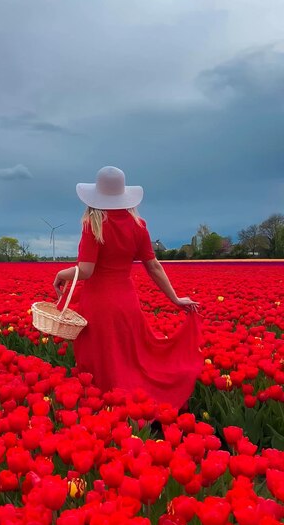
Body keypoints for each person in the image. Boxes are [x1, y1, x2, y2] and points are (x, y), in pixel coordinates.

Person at [53, 166, 203, 410]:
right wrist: (175, 298)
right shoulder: (138, 224)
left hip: (98, 304)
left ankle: (110, 415)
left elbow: (87, 270)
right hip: (126, 302)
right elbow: (153, 266)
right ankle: (138, 407)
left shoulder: (93, 223)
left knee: (104, 362)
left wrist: (62, 273)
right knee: (130, 360)